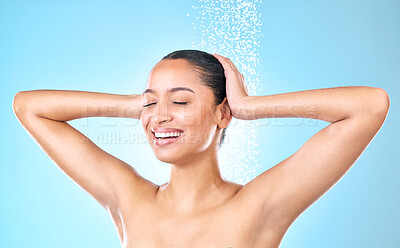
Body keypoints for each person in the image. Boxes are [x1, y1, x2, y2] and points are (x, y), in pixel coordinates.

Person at [13, 49, 390, 248]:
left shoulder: (259, 206)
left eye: (180, 102)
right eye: (152, 102)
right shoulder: (128, 198)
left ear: (222, 113)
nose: (161, 117)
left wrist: (251, 107)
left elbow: (369, 105)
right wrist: (141, 105)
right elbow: (29, 107)